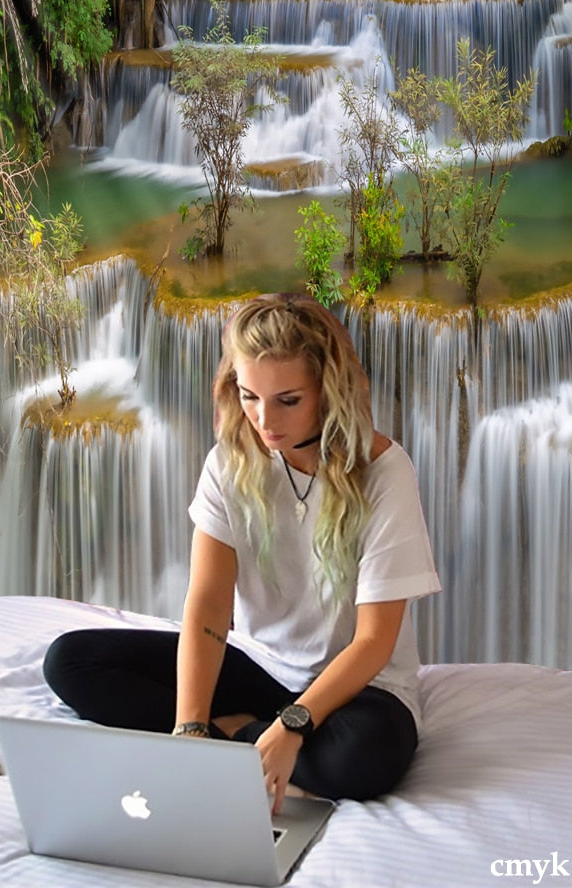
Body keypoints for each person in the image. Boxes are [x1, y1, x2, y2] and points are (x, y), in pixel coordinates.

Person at [44, 293, 441, 808]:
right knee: (71, 663)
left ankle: (238, 735)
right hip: (262, 668)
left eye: (288, 400)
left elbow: (373, 643)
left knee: (363, 759)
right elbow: (208, 604)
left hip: (358, 689)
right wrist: (188, 727)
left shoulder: (385, 472)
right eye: (249, 395)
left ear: (329, 388)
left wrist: (293, 725)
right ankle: (230, 735)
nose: (263, 419)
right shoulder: (228, 463)